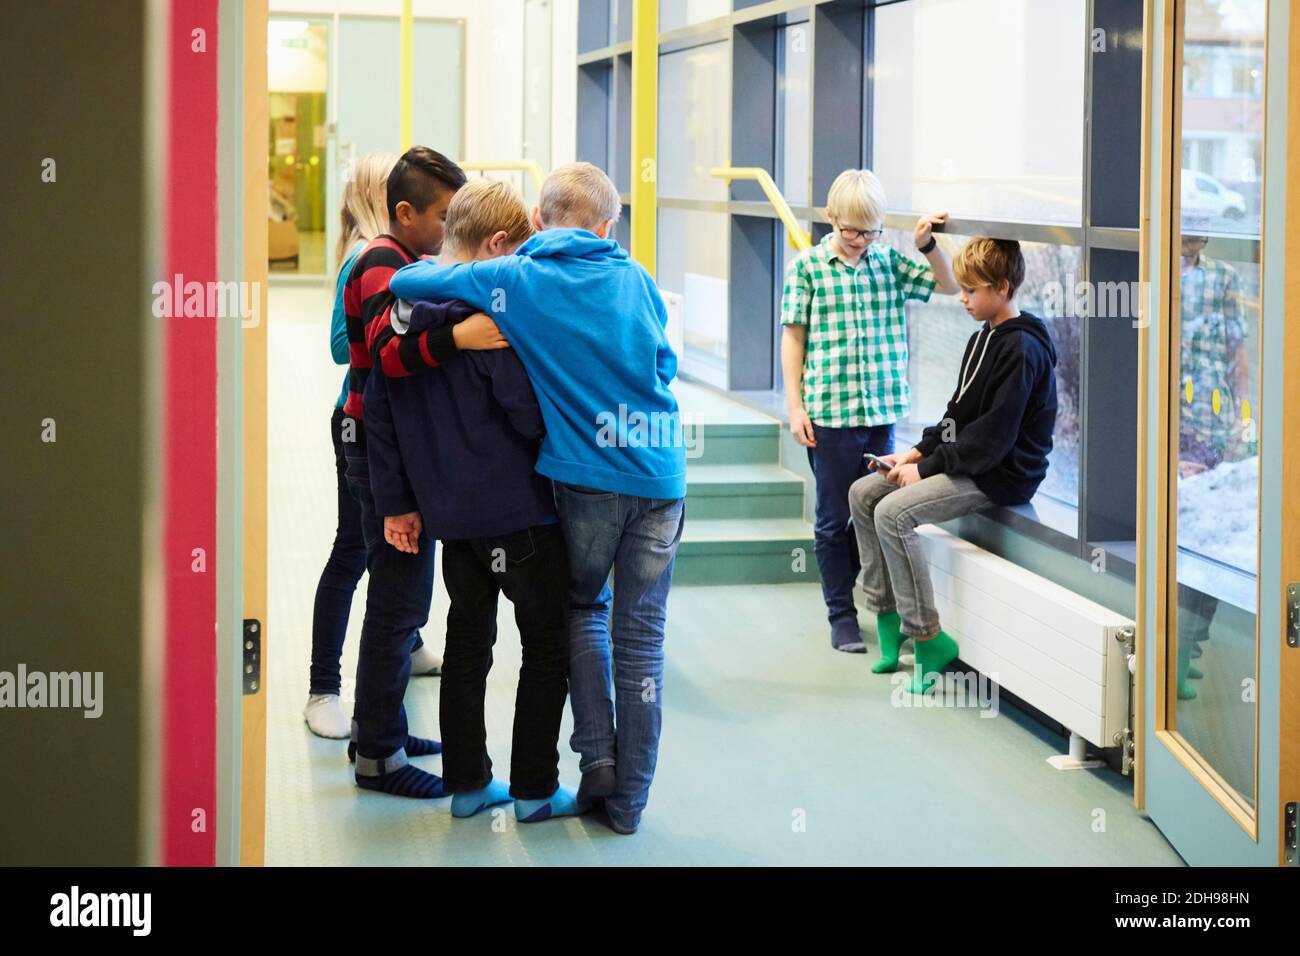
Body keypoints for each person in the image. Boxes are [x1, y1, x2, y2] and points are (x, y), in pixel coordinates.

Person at [389, 162, 685, 835]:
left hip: (584, 480)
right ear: (609, 225)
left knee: (582, 610)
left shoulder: (514, 278)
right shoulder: (636, 279)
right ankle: (626, 803)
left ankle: (595, 762)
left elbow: (406, 282)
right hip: (660, 477)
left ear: (541, 222)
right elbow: (663, 366)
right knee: (641, 642)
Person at [365, 179, 578, 823]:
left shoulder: (401, 321)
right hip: (521, 517)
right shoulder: (486, 321)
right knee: (547, 647)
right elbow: (525, 414)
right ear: (498, 245)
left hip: (453, 523)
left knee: (467, 647)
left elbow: (378, 413)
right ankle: (536, 790)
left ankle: (466, 785)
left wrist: (399, 500)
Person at [342, 146, 509, 798]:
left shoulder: (406, 261)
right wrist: (461, 339)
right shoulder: (385, 263)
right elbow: (391, 355)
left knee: (403, 605)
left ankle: (378, 725)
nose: (449, 229)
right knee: (397, 604)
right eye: (443, 216)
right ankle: (377, 754)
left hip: (391, 454)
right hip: (376, 453)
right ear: (405, 212)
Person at [847, 238, 1057, 693]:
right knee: (863, 494)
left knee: (892, 512)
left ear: (1002, 288)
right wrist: (915, 454)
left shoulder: (1022, 350)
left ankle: (927, 637)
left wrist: (925, 472)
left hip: (1002, 474)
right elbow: (958, 414)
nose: (962, 298)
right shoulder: (984, 336)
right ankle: (888, 620)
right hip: (972, 459)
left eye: (971, 291)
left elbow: (992, 439)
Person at [779, 168, 959, 653]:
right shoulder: (809, 268)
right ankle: (840, 614)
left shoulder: (888, 263)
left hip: (880, 415)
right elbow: (793, 336)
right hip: (830, 417)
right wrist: (795, 406)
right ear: (830, 218)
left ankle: (875, 605)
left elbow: (948, 284)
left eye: (872, 230)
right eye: (851, 230)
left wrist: (926, 245)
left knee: (877, 513)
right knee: (833, 518)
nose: (861, 240)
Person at [304, 154, 442, 741]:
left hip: (381, 429)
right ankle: (324, 689)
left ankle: (388, 700)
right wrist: (450, 332)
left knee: (394, 578)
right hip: (361, 425)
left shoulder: (406, 258)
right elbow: (357, 347)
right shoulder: (374, 259)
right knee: (356, 553)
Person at [1174, 228, 1249, 699]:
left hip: (1214, 419)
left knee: (1213, 538)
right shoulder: (1155, 272)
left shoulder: (1223, 276)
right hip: (1173, 422)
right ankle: (1175, 652)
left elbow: (1237, 349)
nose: (1194, 235)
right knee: (1182, 538)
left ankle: (1191, 646)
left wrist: (1245, 415)